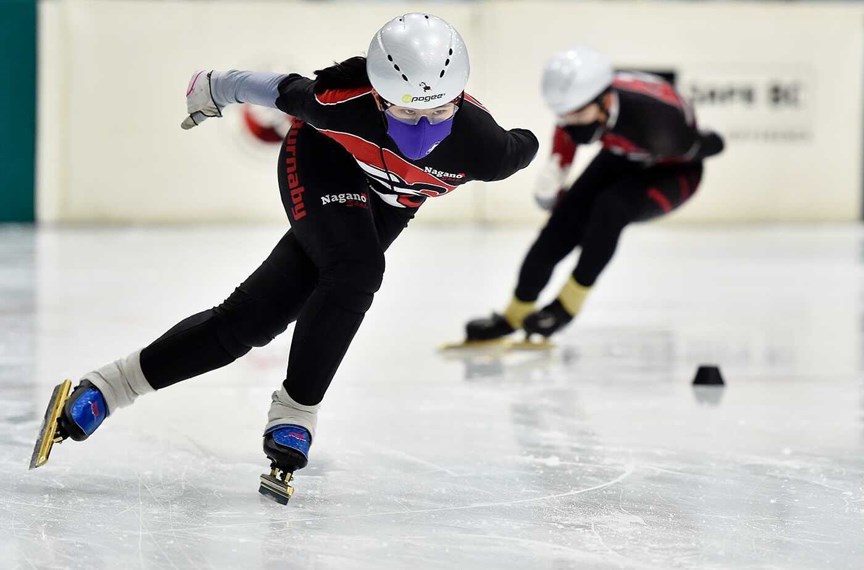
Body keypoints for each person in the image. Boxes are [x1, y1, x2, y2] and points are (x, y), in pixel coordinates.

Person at [32, 13, 538, 503]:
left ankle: (110, 386)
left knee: (252, 320)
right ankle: (297, 410)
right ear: (380, 95)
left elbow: (527, 145)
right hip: (324, 162)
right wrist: (214, 85)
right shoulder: (340, 104)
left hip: (384, 206)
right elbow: (277, 88)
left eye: (438, 112)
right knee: (358, 270)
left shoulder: (487, 150)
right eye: (406, 111)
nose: (423, 130)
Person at [464, 46, 724, 342]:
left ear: (605, 100)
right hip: (623, 153)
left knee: (611, 208)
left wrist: (707, 143)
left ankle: (566, 306)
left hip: (675, 171)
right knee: (563, 222)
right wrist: (557, 171)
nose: (570, 122)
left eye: (577, 114)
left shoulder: (659, 125)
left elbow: (712, 146)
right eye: (563, 115)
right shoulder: (583, 107)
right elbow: (569, 131)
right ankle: (514, 314)